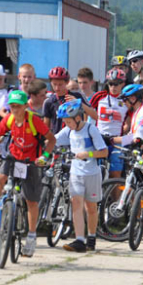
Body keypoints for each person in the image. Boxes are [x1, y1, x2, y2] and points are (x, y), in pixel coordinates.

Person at [0, 90, 57, 257]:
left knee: (31, 202)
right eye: (12, 106)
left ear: (25, 106)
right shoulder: (9, 119)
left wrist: (44, 156)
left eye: (18, 106)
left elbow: (51, 139)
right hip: (14, 156)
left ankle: (31, 236)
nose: (14, 110)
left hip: (31, 161)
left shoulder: (34, 121)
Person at [54, 100, 108, 253]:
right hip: (76, 173)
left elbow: (104, 152)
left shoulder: (91, 130)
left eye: (69, 121)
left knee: (90, 207)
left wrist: (88, 154)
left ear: (78, 118)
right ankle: (79, 240)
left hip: (92, 173)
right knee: (76, 203)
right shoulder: (68, 131)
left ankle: (91, 237)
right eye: (64, 122)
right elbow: (53, 140)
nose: (67, 124)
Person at [90, 68, 129, 179]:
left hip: (116, 140)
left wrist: (122, 133)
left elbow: (128, 123)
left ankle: (116, 196)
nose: (113, 87)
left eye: (117, 84)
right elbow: (88, 113)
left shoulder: (127, 100)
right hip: (99, 138)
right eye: (111, 84)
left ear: (123, 84)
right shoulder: (99, 96)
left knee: (115, 174)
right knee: (95, 171)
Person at [43, 66, 96, 133]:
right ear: (50, 83)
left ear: (67, 82)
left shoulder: (77, 96)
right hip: (58, 140)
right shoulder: (48, 102)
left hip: (77, 139)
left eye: (60, 84)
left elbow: (95, 116)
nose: (57, 88)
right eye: (54, 84)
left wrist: (79, 103)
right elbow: (46, 127)